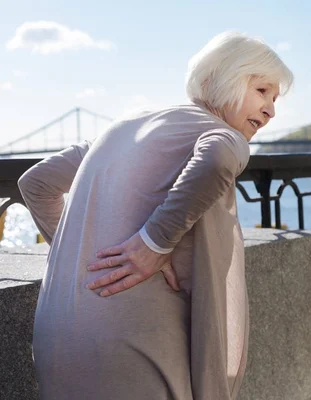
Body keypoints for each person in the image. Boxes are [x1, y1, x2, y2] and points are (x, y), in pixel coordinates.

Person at [18, 31, 293, 399]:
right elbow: (219, 159)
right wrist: (154, 242)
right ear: (219, 79)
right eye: (261, 91)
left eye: (275, 99)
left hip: (57, 336)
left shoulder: (121, 131)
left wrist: (83, 252)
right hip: (129, 343)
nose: (271, 110)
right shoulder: (223, 136)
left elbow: (35, 183)